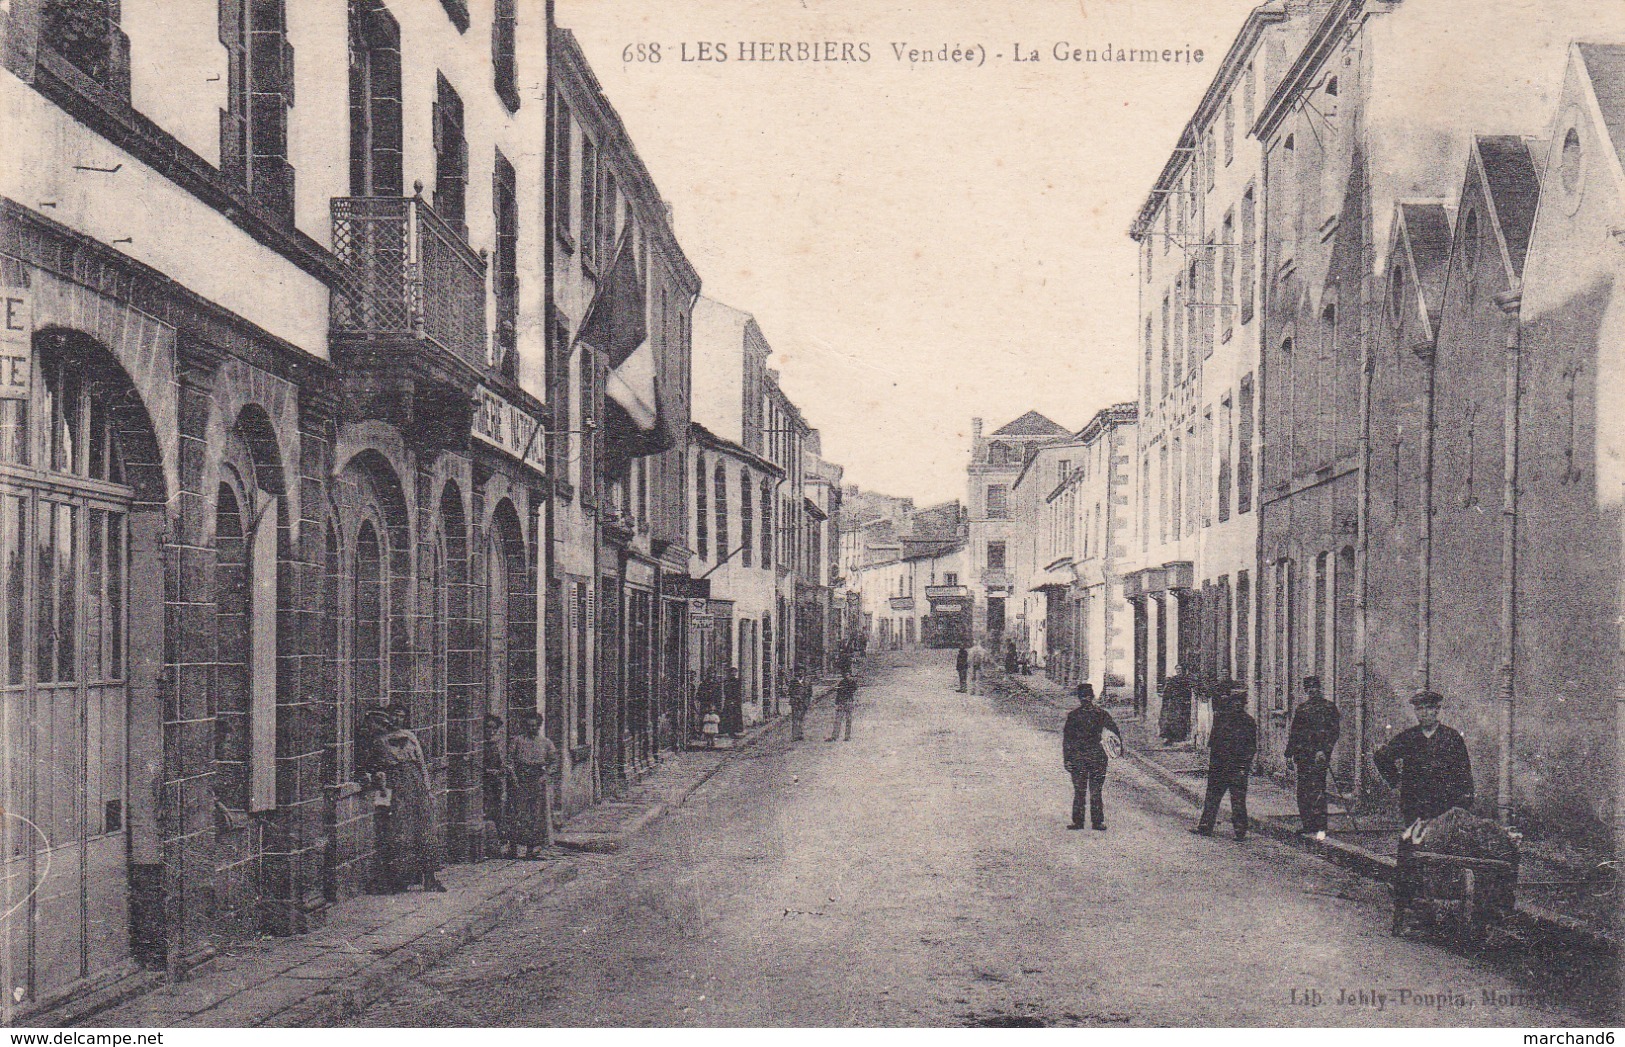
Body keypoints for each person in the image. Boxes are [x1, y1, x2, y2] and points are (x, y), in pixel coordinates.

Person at [1373, 690, 1475, 935]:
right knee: (1411, 854)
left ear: (1437, 711)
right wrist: (1395, 781)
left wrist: (1463, 803)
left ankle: (1441, 913)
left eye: (1431, 709)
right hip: (1415, 808)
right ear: (1416, 712)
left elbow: (1464, 772)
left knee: (1442, 856)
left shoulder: (1451, 738)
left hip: (1443, 808)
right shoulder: (1408, 738)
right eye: (1421, 709)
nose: (1426, 713)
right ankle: (1407, 907)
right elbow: (1381, 756)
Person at [364, 708, 445, 893]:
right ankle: (401, 879)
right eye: (394, 715)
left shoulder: (410, 736)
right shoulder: (379, 741)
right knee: (400, 830)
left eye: (401, 715)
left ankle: (430, 878)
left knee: (424, 828)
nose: (397, 719)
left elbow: (421, 763)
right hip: (396, 785)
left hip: (415, 783)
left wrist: (428, 789)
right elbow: (374, 765)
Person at [1193, 682, 1257, 841]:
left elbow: (1251, 748)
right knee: (1212, 798)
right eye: (1234, 702)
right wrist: (1212, 767)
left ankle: (1240, 832)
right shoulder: (1221, 719)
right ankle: (1205, 827)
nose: (1236, 705)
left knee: (1238, 801)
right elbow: (1213, 744)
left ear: (1243, 704)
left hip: (1237, 768)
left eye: (1239, 702)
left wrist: (1244, 767)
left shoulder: (1248, 722)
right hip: (1219, 767)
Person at [1285, 675, 1342, 841]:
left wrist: (1324, 750)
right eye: (1309, 688)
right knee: (1303, 790)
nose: (1312, 691)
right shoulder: (1302, 709)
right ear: (1306, 691)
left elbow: (1333, 733)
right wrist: (1289, 754)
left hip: (1319, 756)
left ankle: (1320, 826)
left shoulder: (1329, 708)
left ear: (1320, 688)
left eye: (1315, 687)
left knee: (1317, 789)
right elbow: (1295, 733)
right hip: (1303, 755)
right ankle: (1307, 824)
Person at [1062, 683, 1120, 831]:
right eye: (1085, 697)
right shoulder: (1102, 714)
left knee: (1081, 790)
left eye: (1086, 697)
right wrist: (1116, 751)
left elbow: (1067, 740)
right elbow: (1115, 736)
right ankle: (1097, 822)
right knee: (1095, 791)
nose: (1086, 699)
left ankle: (1079, 822)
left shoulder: (1074, 716)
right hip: (1097, 758)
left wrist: (1067, 759)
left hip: (1079, 758)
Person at [505, 709, 557, 859]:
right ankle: (513, 848)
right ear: (524, 726)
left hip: (537, 781)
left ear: (539, 726)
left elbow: (553, 762)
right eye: (529, 725)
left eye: (534, 725)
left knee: (535, 815)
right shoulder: (517, 741)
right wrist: (513, 777)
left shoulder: (546, 743)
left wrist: (545, 776)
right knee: (518, 814)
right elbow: (509, 761)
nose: (531, 728)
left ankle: (531, 849)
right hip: (520, 780)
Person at [481, 714, 511, 857]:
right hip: (484, 784)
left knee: (498, 812)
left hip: (495, 784)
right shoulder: (481, 746)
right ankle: (488, 846)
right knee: (486, 812)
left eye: (494, 728)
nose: (492, 731)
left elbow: (501, 764)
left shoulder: (496, 745)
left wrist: (500, 771)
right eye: (489, 728)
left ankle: (497, 845)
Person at [1159, 665, 1195, 744]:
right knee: (1172, 720)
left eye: (1180, 669)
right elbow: (1168, 691)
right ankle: (1171, 737)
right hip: (1174, 702)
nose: (1178, 670)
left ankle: (1180, 737)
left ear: (1183, 670)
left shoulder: (1186, 679)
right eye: (1177, 669)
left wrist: (1186, 699)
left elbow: (1188, 690)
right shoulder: (1173, 679)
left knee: (1181, 719)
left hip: (1182, 702)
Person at [827, 670, 856, 741]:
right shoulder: (841, 682)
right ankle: (834, 736)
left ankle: (847, 736)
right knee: (838, 719)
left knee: (848, 719)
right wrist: (837, 703)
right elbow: (838, 693)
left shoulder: (852, 683)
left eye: (848, 675)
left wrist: (846, 687)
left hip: (849, 702)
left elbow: (853, 689)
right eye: (845, 675)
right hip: (841, 702)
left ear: (850, 675)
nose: (847, 676)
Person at [789, 666, 810, 741]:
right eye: (799, 671)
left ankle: (800, 734)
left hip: (803, 703)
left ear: (804, 672)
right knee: (795, 719)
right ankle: (794, 735)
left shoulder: (807, 682)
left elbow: (810, 693)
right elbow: (790, 691)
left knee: (801, 718)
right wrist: (795, 696)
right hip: (795, 702)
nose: (800, 673)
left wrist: (807, 703)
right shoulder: (793, 681)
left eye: (802, 671)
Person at [723, 667, 745, 738]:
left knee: (736, 717)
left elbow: (738, 691)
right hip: (730, 701)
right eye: (733, 672)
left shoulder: (737, 681)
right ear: (730, 673)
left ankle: (735, 731)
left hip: (736, 701)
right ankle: (730, 732)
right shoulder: (727, 681)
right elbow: (727, 691)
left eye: (735, 672)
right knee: (730, 717)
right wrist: (731, 700)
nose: (734, 673)